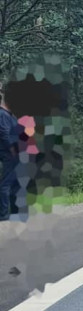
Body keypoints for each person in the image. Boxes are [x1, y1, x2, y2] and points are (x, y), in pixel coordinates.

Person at [0, 88, 19, 221]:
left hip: (15, 153)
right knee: (7, 183)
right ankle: (4, 213)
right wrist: (12, 149)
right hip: (9, 153)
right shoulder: (3, 115)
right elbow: (5, 134)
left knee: (15, 182)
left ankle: (15, 211)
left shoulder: (9, 115)